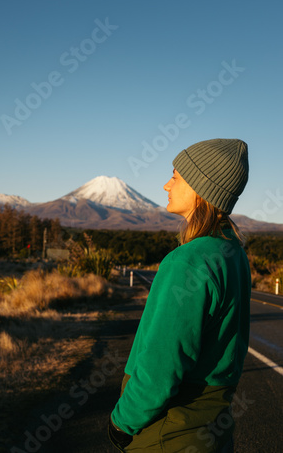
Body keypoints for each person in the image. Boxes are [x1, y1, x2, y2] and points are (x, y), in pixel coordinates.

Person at [108, 138, 252, 452]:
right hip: (213, 428)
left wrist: (121, 423)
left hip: (168, 433)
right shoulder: (232, 252)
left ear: (201, 187)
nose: (165, 185)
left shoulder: (188, 261)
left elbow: (161, 365)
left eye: (175, 176)